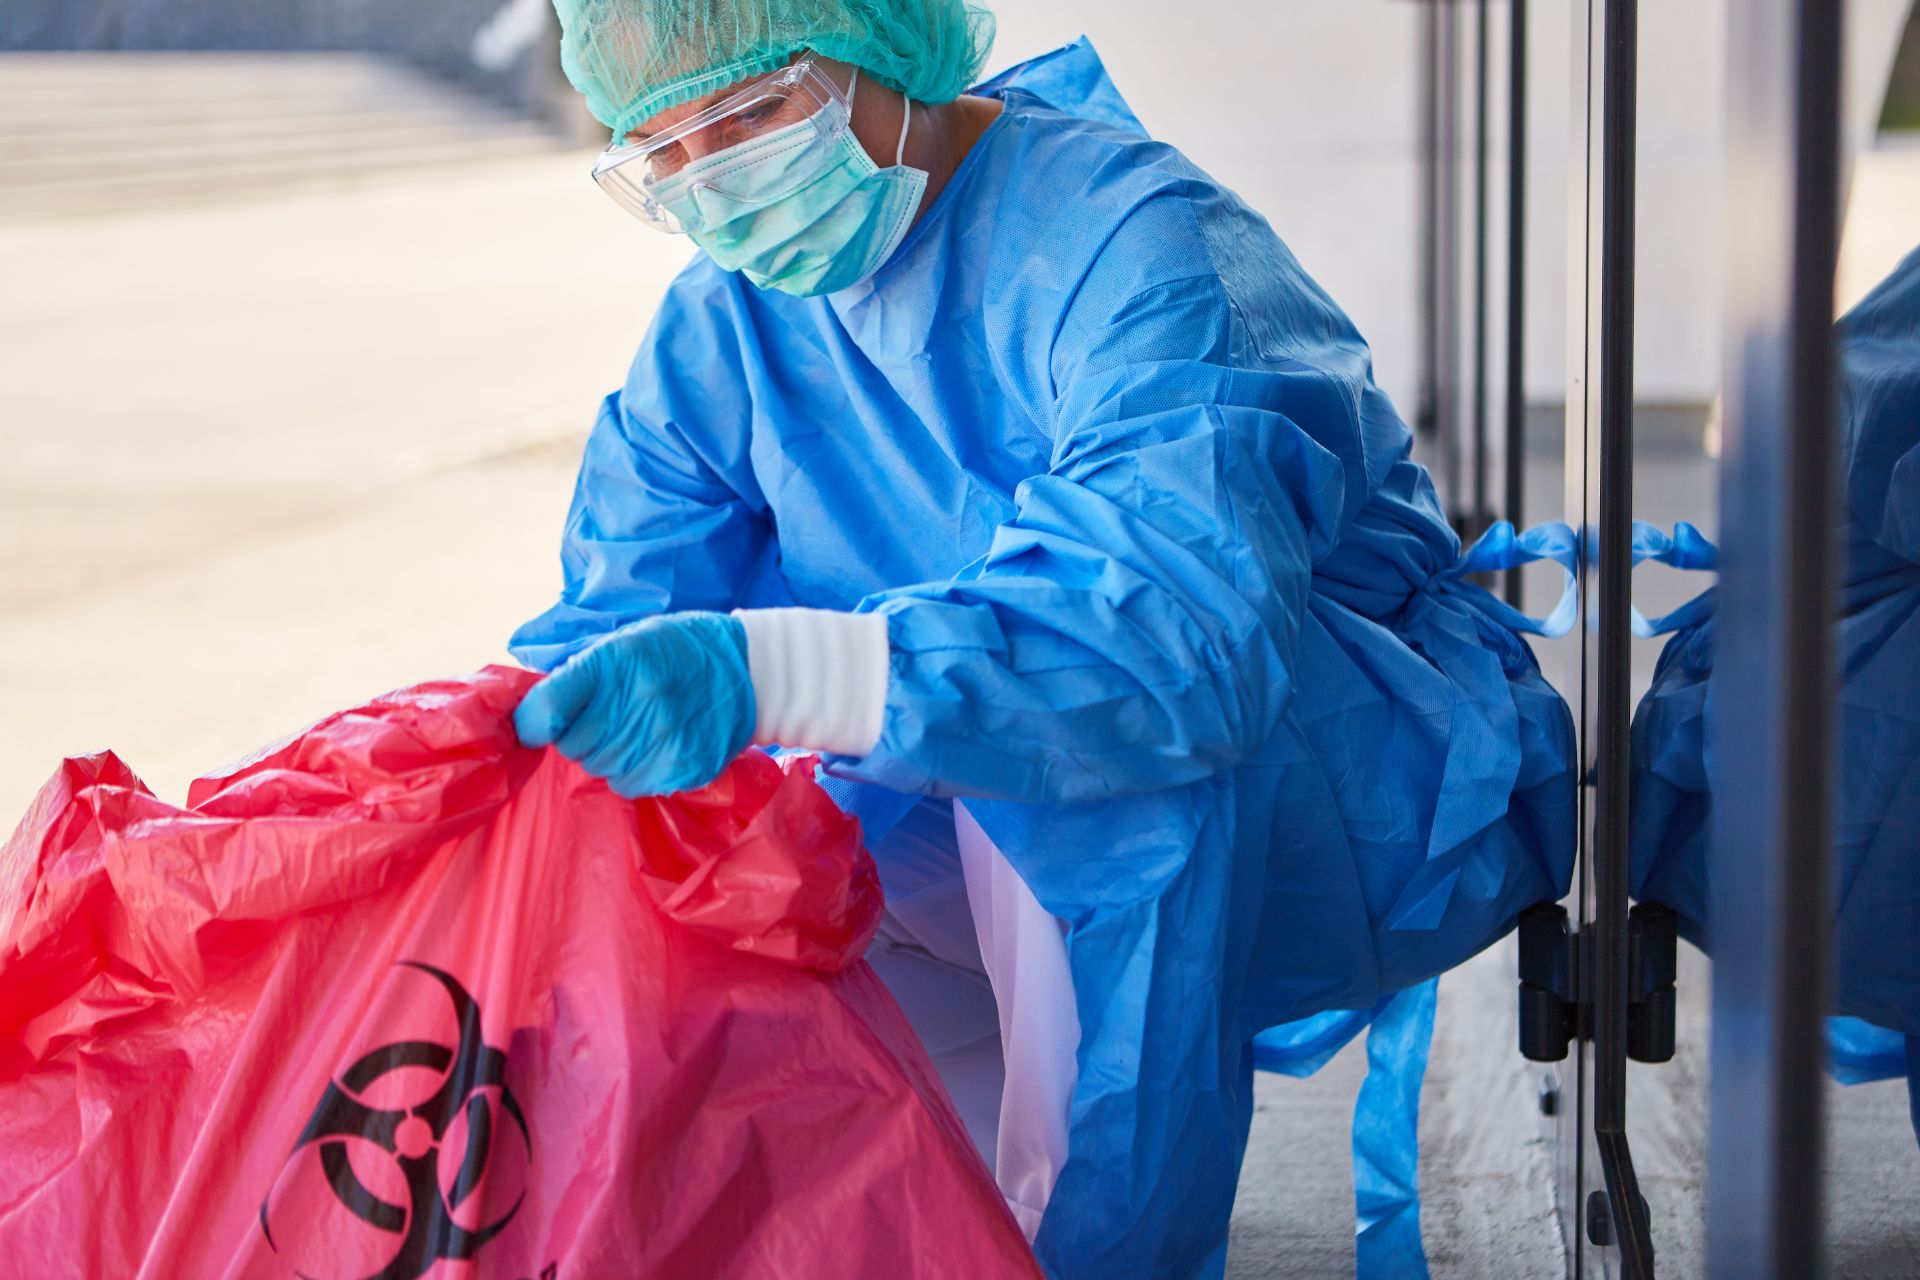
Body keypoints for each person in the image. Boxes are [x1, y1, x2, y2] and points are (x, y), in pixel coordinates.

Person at [510, 2, 1577, 1274]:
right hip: (943, 801)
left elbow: (1174, 641)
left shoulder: (1135, 245)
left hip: (1320, 769)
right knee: (664, 845)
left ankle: (1094, 1240)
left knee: (1078, 778)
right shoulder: (722, 330)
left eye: (747, 117)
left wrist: (781, 673)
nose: (716, 187)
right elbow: (612, 625)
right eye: (662, 156)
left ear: (886, 42)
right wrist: (478, 761)